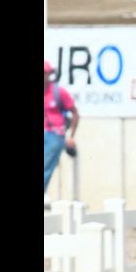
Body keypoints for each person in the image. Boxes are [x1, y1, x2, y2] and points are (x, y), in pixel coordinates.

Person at [44, 60, 79, 195]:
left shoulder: (58, 92)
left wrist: (71, 137)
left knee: (46, 167)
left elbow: (75, 113)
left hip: (55, 135)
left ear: (49, 75)